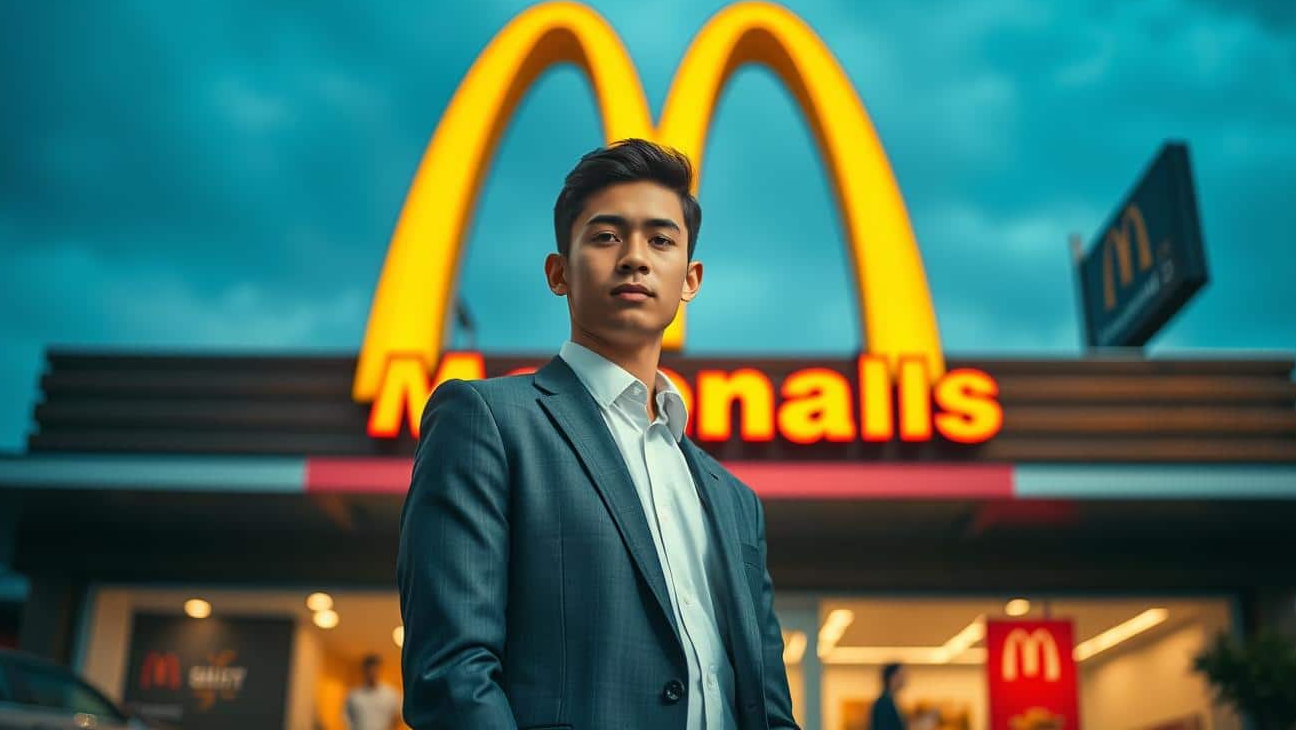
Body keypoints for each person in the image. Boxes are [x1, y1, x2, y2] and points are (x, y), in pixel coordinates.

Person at [397, 139, 799, 729]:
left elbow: (766, 702)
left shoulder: (734, 498)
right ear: (559, 273)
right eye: (607, 236)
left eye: (661, 240)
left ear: (690, 279)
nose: (635, 258)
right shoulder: (487, 421)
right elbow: (451, 671)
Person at [342, 654, 400, 730]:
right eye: (369, 670)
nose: (372, 673)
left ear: (379, 670)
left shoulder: (391, 694)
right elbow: (347, 718)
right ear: (364, 671)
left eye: (375, 669)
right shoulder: (353, 696)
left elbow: (398, 717)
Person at [869, 663, 906, 730]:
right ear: (892, 677)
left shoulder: (892, 701)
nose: (905, 679)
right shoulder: (883, 703)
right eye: (902, 675)